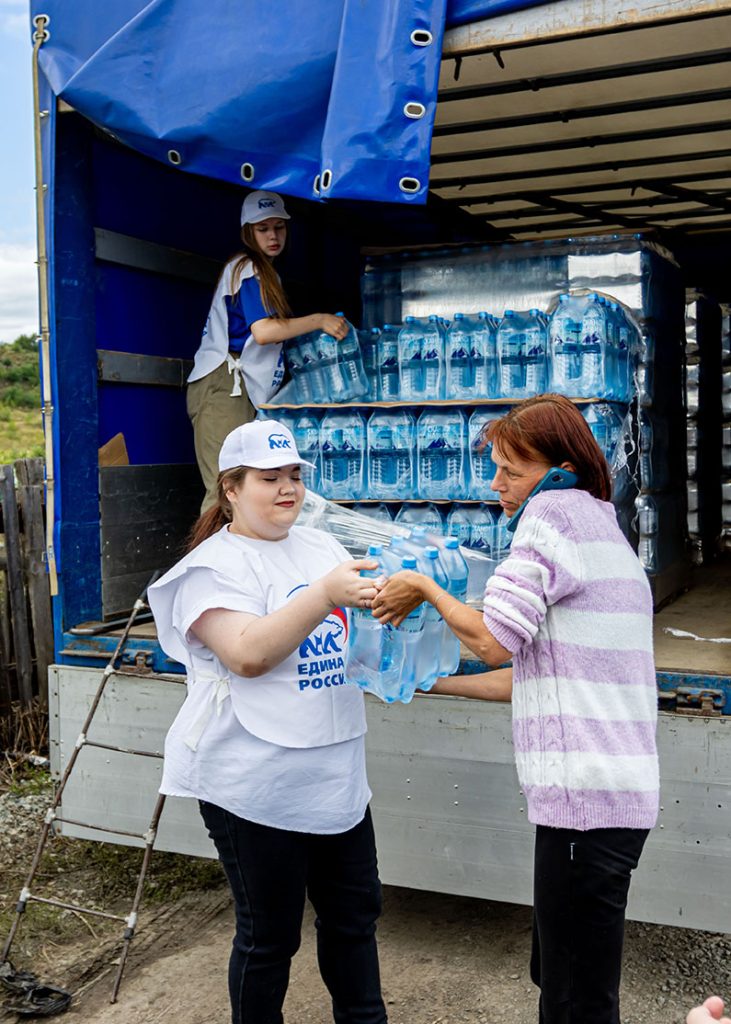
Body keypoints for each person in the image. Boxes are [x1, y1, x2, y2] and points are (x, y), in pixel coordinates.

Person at [372, 393, 659, 1024]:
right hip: (605, 800)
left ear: (560, 468)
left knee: (574, 999)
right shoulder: (599, 523)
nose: (496, 485)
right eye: (495, 467)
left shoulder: (550, 517)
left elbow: (492, 640)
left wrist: (422, 586)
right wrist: (425, 685)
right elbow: (526, 677)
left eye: (511, 470)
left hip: (586, 802)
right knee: (562, 974)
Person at [147, 419, 388, 1024]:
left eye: (295, 476)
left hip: (333, 772)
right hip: (251, 781)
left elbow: (357, 640)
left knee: (355, 921)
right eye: (269, 478)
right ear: (230, 488)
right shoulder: (212, 567)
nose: (287, 489)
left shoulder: (321, 548)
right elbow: (248, 654)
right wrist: (323, 594)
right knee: (270, 938)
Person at [187, 190, 348, 510]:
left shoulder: (265, 272)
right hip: (224, 383)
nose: (273, 236)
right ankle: (209, 559)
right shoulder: (247, 267)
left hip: (240, 386)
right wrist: (319, 320)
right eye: (263, 229)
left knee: (242, 486)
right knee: (226, 488)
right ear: (248, 232)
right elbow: (263, 332)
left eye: (279, 227)